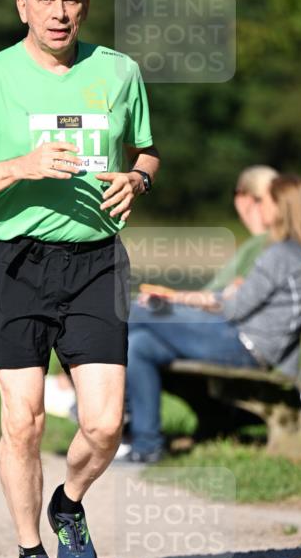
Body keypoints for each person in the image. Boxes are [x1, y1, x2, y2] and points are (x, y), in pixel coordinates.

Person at [0, 0, 160, 558]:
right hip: (14, 264)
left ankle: (68, 503)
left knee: (104, 424)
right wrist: (20, 166)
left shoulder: (118, 72)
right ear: (22, 6)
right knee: (24, 422)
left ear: (84, 4)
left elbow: (145, 147)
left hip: (96, 262)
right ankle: (29, 555)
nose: (59, 12)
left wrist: (138, 178)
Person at [46, 164, 278, 422]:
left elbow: (230, 299)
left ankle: (86, 398)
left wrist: (176, 300)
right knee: (137, 336)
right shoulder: (263, 244)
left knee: (128, 312)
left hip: (232, 334)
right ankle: (123, 422)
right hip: (223, 327)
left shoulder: (267, 245)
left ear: (244, 199)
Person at [117, 174, 301, 463]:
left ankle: (104, 410)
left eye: (265, 202)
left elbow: (234, 309)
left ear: (281, 207)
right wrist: (183, 300)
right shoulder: (291, 252)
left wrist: (181, 302)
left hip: (246, 345)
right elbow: (236, 301)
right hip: (242, 338)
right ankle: (147, 445)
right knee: (140, 345)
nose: (260, 208)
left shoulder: (281, 254)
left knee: (136, 311)